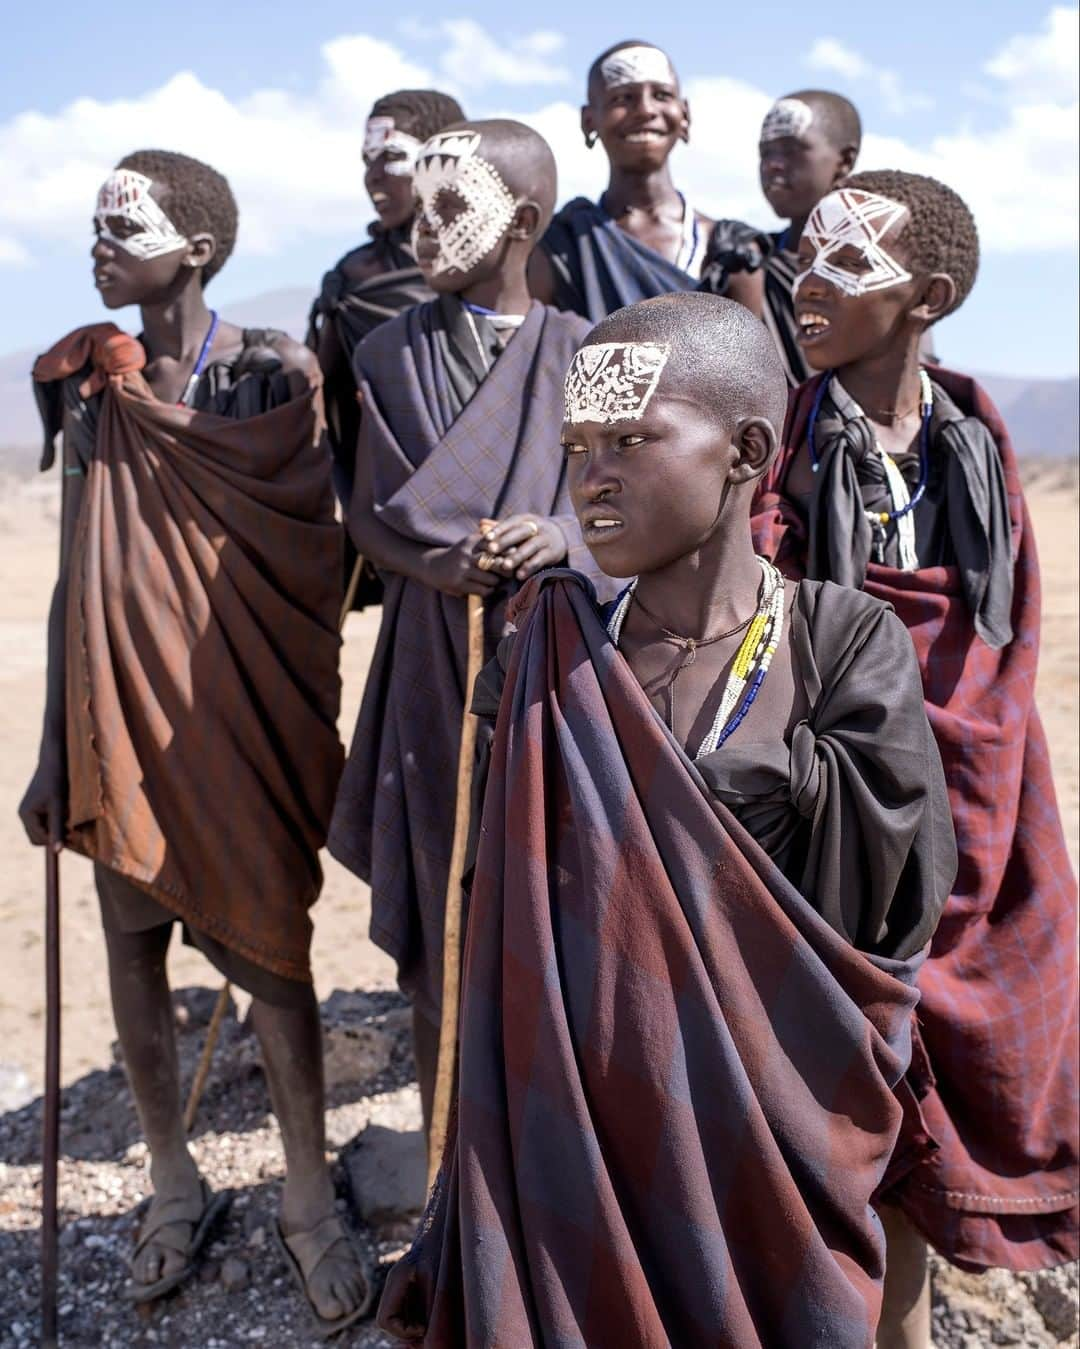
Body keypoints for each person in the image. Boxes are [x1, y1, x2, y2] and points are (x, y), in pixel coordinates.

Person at [376, 292, 956, 1347]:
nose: (590, 477)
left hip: (782, 1135)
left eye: (631, 441)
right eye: (577, 446)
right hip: (588, 1141)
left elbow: (888, 919)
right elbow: (508, 935)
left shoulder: (840, 641)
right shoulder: (547, 660)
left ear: (743, 451)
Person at [19, 150, 371, 1336]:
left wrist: (299, 405)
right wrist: (51, 745)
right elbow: (81, 565)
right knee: (131, 950)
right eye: (96, 227)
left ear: (200, 248)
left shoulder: (264, 378)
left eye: (128, 228)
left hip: (237, 710)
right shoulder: (90, 384)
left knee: (273, 954)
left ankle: (310, 1194)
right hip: (114, 704)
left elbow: (309, 562)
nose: (101, 245)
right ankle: (174, 1176)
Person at [751, 170, 1079, 1348]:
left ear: (926, 296)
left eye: (847, 266)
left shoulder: (974, 430)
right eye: (806, 258)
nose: (810, 284)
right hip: (836, 803)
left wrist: (972, 759)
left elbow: (1000, 630)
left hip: (977, 785)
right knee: (850, 1076)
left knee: (988, 1042)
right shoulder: (781, 433)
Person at [327, 119, 618, 1130]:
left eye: (453, 209)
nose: (422, 227)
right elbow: (369, 511)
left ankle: (545, 1161)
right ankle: (446, 1160)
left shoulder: (586, 351)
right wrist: (438, 560)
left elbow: (619, 502)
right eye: (422, 205)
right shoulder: (385, 351)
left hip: (551, 663)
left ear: (525, 224)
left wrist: (563, 536)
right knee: (438, 918)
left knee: (555, 912)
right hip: (427, 654)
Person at [307, 87, 465, 513]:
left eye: (392, 157)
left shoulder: (498, 269)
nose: (373, 176)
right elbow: (324, 400)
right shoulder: (353, 279)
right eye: (367, 160)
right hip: (383, 494)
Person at [529, 40, 713, 321]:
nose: (645, 110)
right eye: (622, 98)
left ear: (685, 115)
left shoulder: (724, 248)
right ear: (589, 121)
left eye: (662, 95)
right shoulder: (562, 246)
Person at [698, 90, 860, 386]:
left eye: (792, 149)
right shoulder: (745, 257)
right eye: (766, 152)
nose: (773, 164)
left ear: (845, 160)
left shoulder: (876, 266)